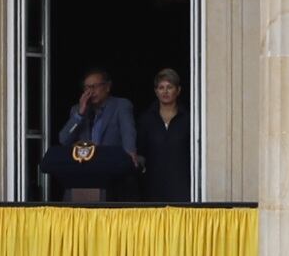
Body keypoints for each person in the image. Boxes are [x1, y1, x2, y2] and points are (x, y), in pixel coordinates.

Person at [43, 70, 140, 203]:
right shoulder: (77, 109)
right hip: (83, 175)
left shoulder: (121, 105)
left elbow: (128, 132)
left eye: (95, 87)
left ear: (107, 87)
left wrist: (130, 153)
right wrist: (80, 114)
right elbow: (63, 139)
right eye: (87, 88)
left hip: (112, 174)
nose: (90, 92)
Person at [142, 71, 194, 202]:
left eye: (169, 87)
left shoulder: (189, 119)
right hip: (153, 186)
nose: (165, 92)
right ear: (156, 91)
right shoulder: (146, 119)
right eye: (161, 87)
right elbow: (141, 151)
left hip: (182, 186)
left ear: (178, 90)